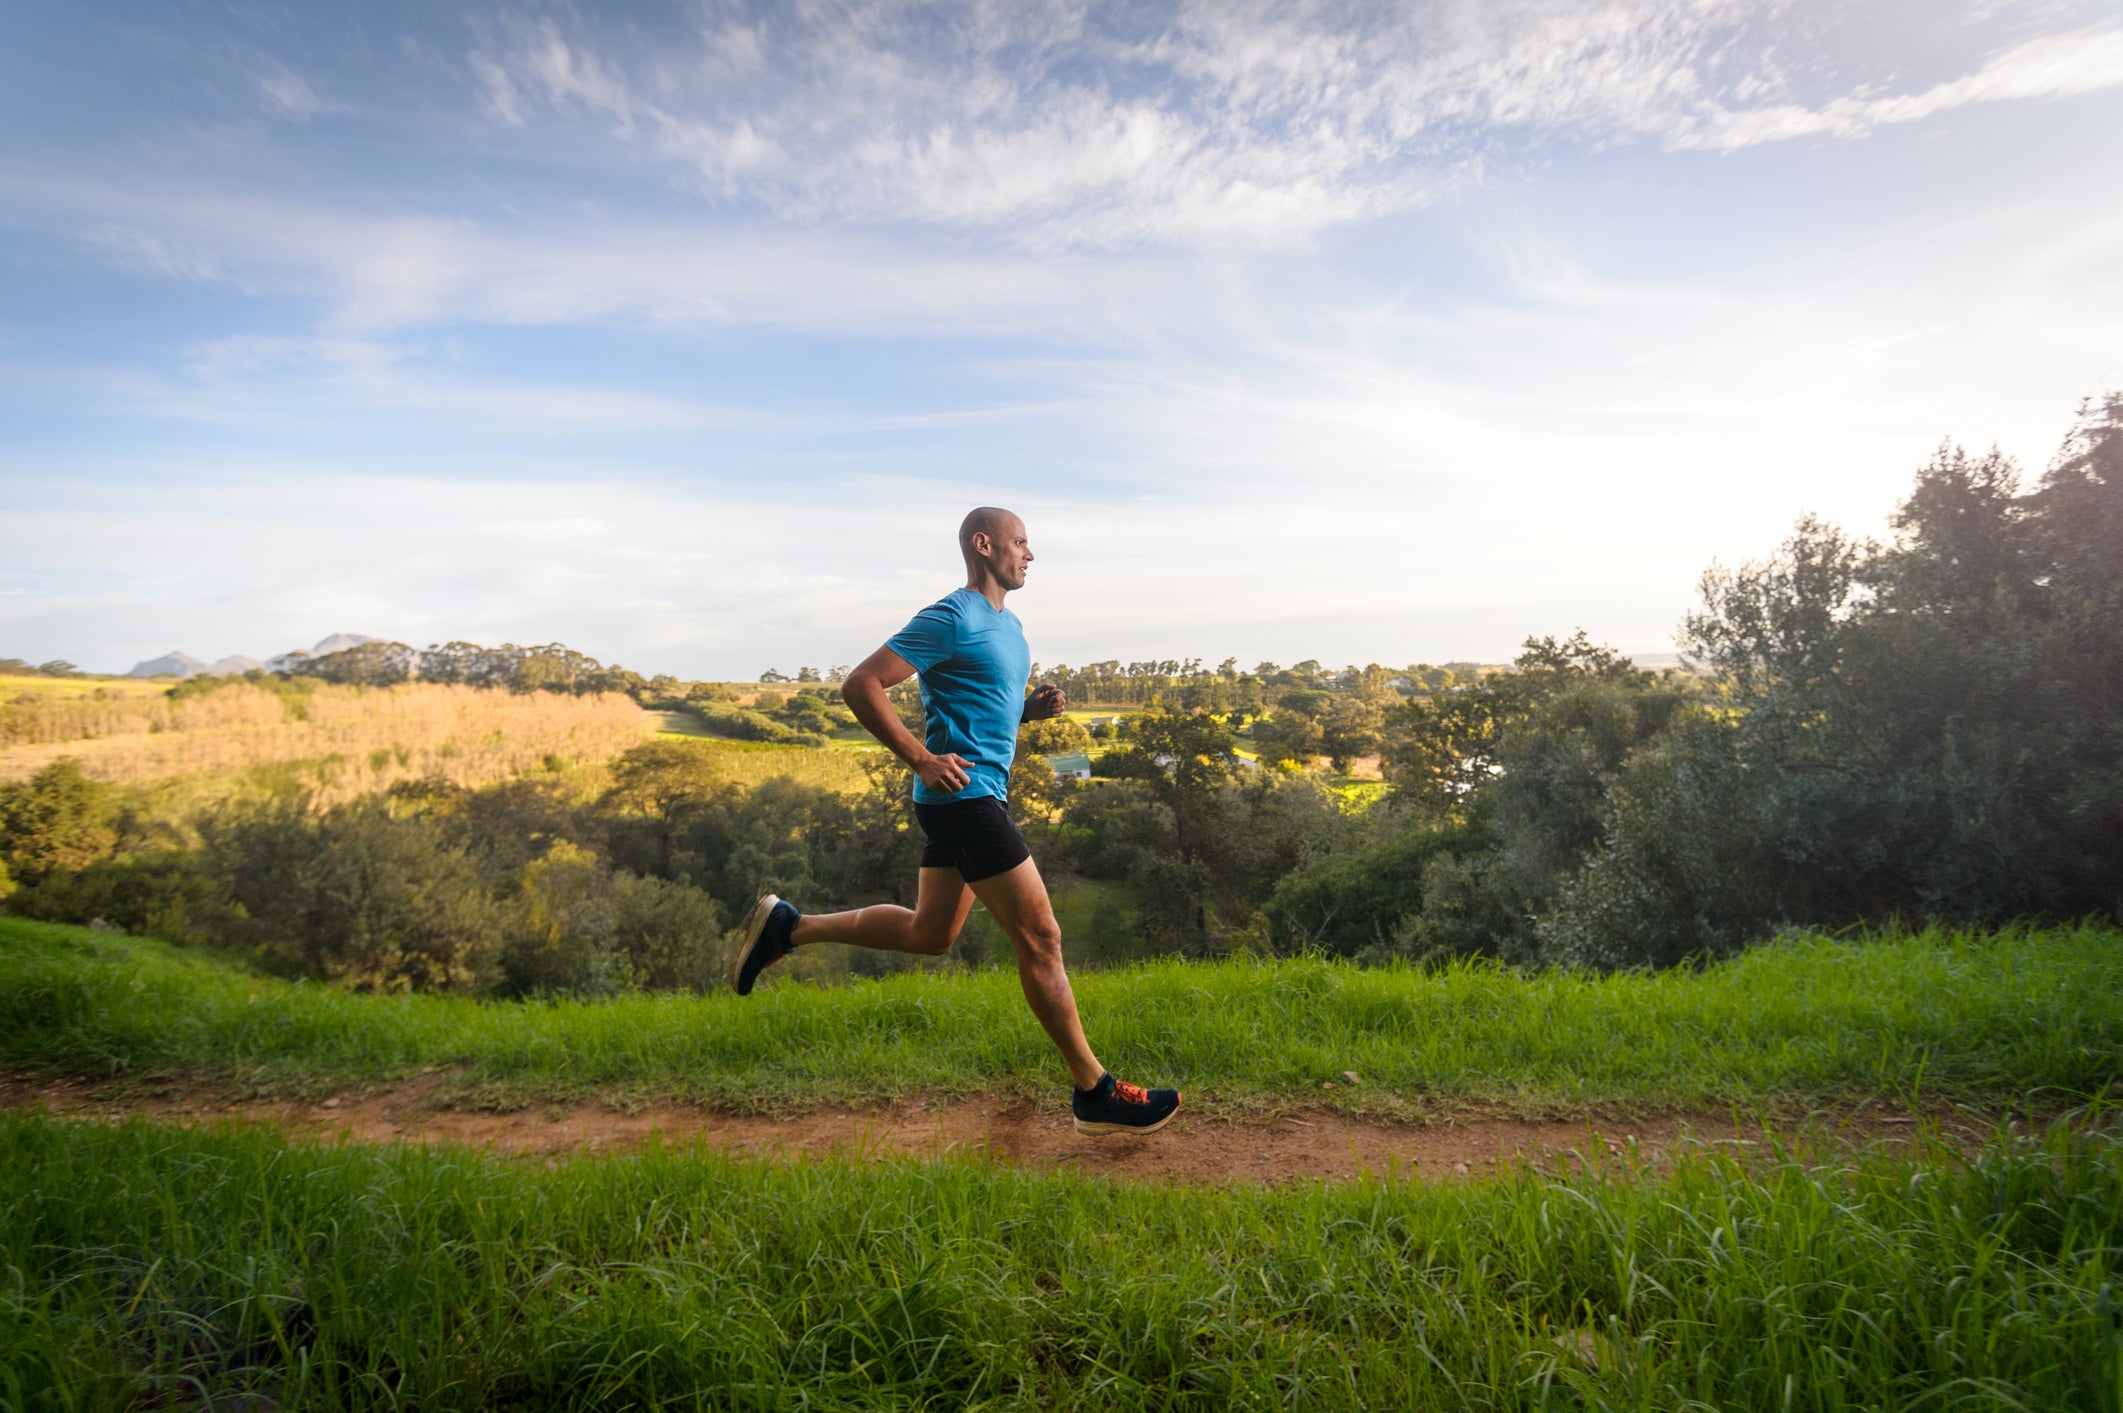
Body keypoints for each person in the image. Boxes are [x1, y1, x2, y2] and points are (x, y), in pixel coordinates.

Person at [725, 507, 1181, 1135]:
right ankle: (1093, 1090)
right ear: (984, 544)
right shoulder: (952, 615)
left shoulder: (1011, 626)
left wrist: (1027, 714)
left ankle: (789, 927)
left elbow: (979, 712)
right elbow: (862, 684)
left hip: (975, 794)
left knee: (930, 934)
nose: (1030, 554)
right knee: (1042, 936)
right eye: (1021, 542)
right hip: (963, 798)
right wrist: (920, 757)